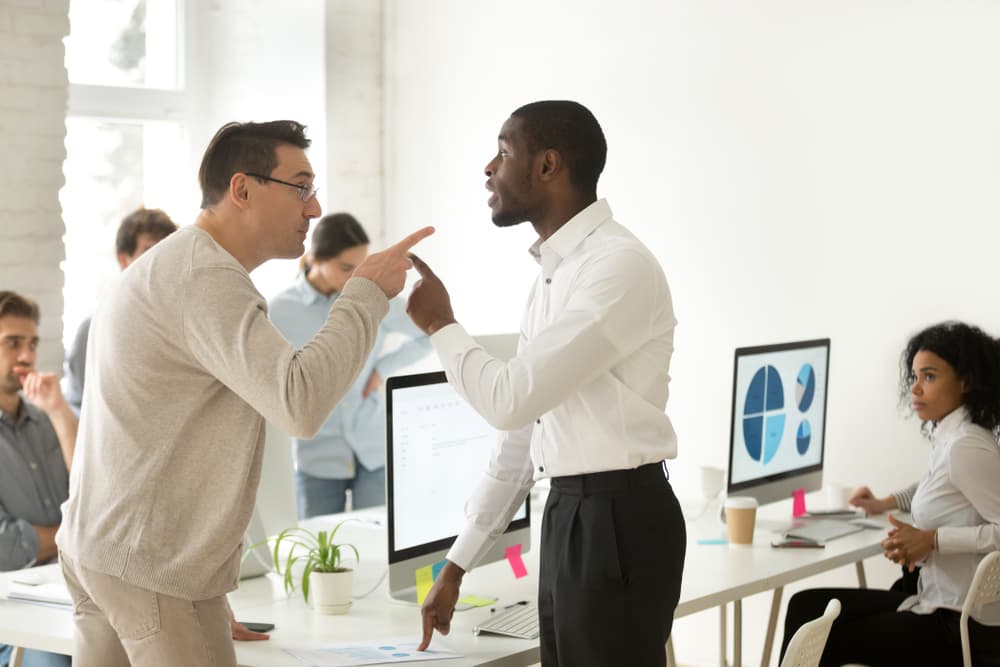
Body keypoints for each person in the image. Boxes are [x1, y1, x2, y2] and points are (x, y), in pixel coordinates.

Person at [55, 120, 432, 667]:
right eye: (300, 186)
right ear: (242, 189)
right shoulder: (204, 277)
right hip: (148, 567)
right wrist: (366, 293)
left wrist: (199, 585)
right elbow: (299, 404)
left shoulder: (178, 266)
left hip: (106, 554)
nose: (315, 207)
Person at [407, 100, 686, 666]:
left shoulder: (617, 267)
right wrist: (456, 565)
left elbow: (509, 400)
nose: (489, 167)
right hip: (568, 513)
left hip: (618, 517)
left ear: (548, 165)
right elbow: (525, 435)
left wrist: (441, 324)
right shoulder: (554, 276)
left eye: (504, 151)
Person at [781, 321, 1000, 667]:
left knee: (817, 635)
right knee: (805, 607)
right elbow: (935, 488)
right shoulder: (953, 437)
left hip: (954, 626)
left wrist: (933, 540)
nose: (915, 389)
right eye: (913, 377)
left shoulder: (965, 447)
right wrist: (886, 503)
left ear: (966, 381)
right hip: (932, 599)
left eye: (929, 377)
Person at [269, 212, 430, 518]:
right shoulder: (280, 311)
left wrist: (381, 369)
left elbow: (429, 333)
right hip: (316, 455)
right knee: (317, 554)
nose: (356, 278)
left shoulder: (375, 297)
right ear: (315, 258)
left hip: (372, 450)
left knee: (377, 546)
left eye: (361, 267)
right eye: (346, 268)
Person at [0, 291, 76, 667]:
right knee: (59, 657)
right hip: (9, 619)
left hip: (62, 599)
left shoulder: (47, 422)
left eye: (31, 343)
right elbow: (5, 547)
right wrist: (72, 536)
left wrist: (60, 412)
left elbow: (95, 497)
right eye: (12, 343)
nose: (26, 357)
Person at [62, 208, 178, 415]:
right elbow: (84, 407)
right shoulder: (94, 328)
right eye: (149, 251)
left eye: (166, 251)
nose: (160, 261)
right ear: (124, 260)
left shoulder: (180, 325)